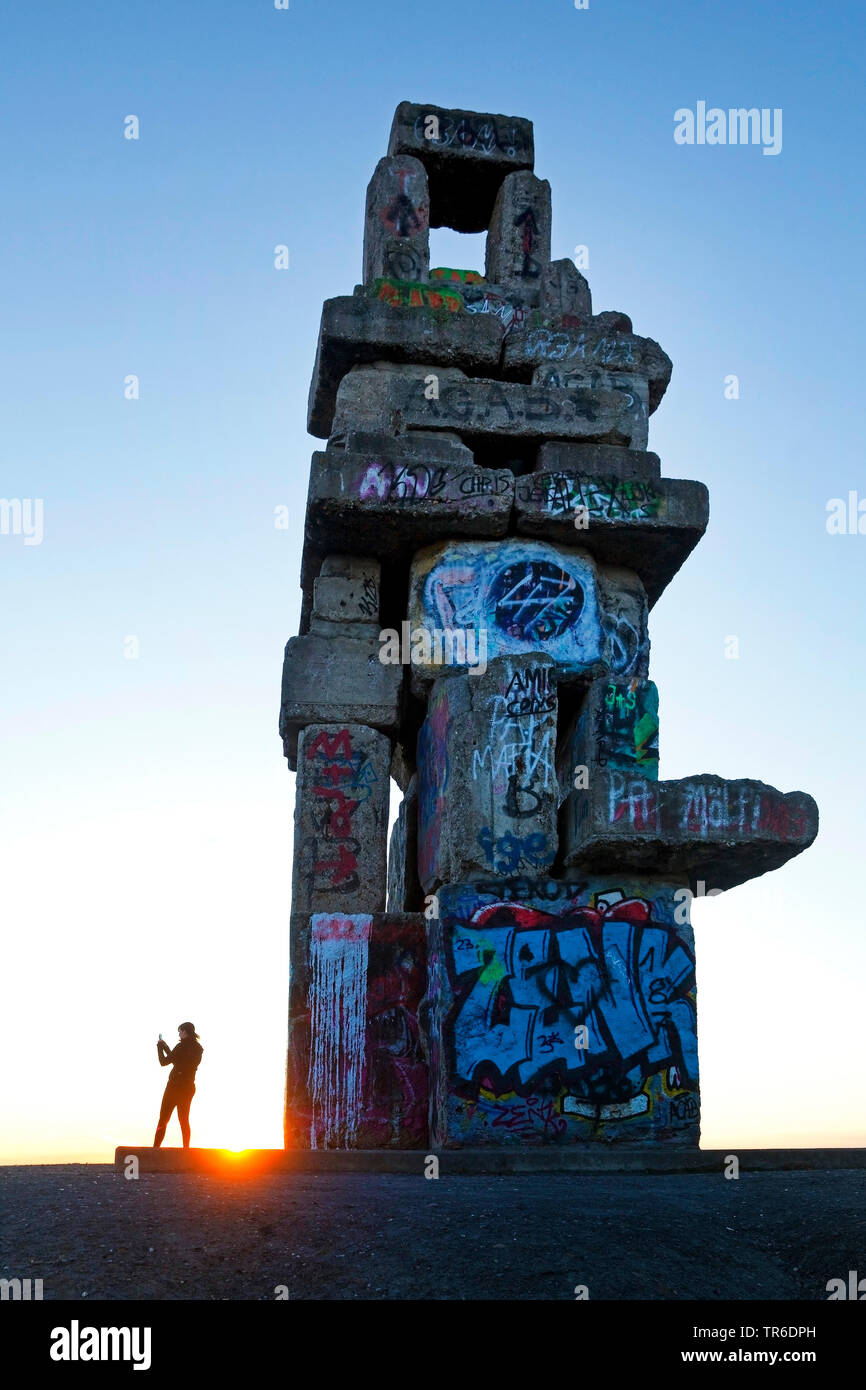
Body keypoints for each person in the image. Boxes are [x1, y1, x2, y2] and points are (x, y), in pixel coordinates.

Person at [153, 1022, 203, 1149]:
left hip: (174, 1087)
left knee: (163, 1119)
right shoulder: (198, 1048)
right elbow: (178, 1061)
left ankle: (155, 1149)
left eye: (180, 1031)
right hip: (188, 1087)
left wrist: (159, 1047)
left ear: (185, 1031)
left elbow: (164, 1062)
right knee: (184, 1120)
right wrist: (166, 1047)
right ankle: (186, 1149)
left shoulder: (181, 1046)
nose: (179, 1034)